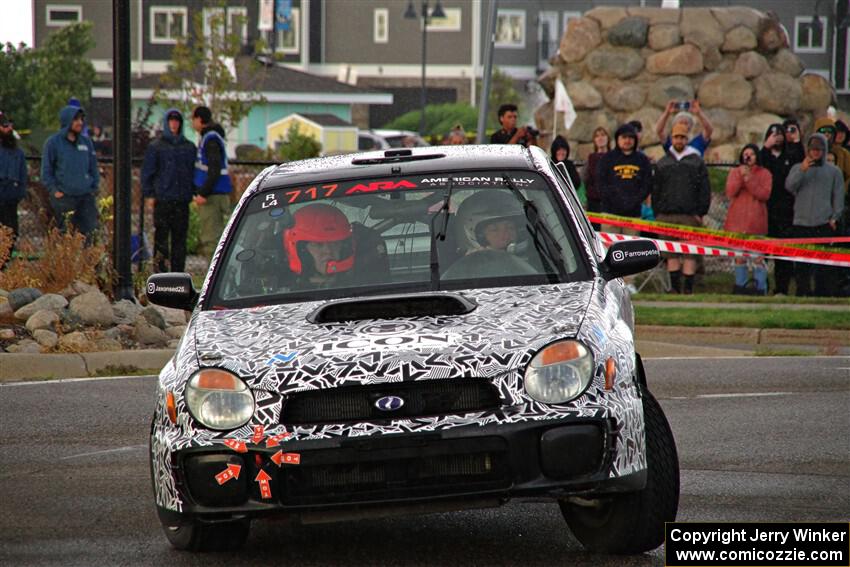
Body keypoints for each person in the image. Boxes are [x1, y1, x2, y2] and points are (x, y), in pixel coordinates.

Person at [652, 122, 711, 294]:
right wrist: (657, 213)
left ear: (687, 140)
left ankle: (688, 289)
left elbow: (704, 189)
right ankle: (675, 288)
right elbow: (655, 190)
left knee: (689, 253)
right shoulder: (663, 162)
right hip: (666, 215)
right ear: (671, 138)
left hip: (689, 215)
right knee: (671, 253)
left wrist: (700, 212)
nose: (679, 140)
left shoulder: (696, 162)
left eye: (683, 137)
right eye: (676, 137)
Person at [785, 133, 845, 296]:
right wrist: (802, 171)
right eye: (813, 149)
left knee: (823, 264)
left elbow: (838, 196)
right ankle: (802, 292)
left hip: (823, 223)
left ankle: (822, 293)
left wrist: (834, 217)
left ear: (824, 150)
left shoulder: (834, 171)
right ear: (808, 150)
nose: (816, 153)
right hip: (801, 223)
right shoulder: (798, 168)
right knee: (801, 264)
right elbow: (790, 187)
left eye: (819, 149)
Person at [142, 109, 197, 273]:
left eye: (177, 121)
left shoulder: (188, 147)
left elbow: (193, 172)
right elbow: (148, 172)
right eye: (171, 121)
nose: (174, 124)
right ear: (166, 123)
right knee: (161, 239)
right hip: (163, 200)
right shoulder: (156, 147)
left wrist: (193, 192)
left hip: (182, 200)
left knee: (180, 240)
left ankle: (178, 273)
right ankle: (160, 272)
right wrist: (150, 194)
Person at [41, 104, 99, 244]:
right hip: (64, 198)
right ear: (67, 121)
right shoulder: (53, 143)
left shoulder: (86, 142)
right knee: (65, 238)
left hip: (86, 198)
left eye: (81, 119)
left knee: (91, 235)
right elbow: (46, 171)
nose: (80, 122)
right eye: (76, 119)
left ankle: (89, 265)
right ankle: (67, 266)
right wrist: (54, 191)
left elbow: (93, 167)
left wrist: (93, 186)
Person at [724, 144, 772, 295]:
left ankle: (760, 289)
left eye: (751, 154)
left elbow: (764, 194)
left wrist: (749, 178)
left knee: (758, 259)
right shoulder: (734, 172)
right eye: (746, 154)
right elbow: (730, 191)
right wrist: (741, 176)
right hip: (737, 224)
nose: (748, 156)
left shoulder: (765, 174)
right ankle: (740, 288)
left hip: (756, 224)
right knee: (739, 259)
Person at [760, 123, 798, 295]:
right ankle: (762, 286)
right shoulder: (764, 156)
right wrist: (765, 147)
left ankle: (781, 288)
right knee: (762, 253)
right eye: (772, 134)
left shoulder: (790, 155)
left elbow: (800, 165)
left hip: (785, 211)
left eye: (779, 133)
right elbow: (757, 165)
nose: (777, 137)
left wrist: (796, 141)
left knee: (783, 254)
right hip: (765, 210)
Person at [191, 105, 233, 259]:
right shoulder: (212, 137)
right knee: (220, 238)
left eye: (193, 119)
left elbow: (213, 169)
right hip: (217, 194)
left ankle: (214, 279)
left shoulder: (210, 140)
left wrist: (203, 192)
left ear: (199, 119)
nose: (192, 123)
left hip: (212, 197)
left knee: (211, 241)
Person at [282, 203, 356, 290]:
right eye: (318, 244)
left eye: (334, 243)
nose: (328, 251)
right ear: (301, 250)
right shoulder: (280, 294)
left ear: (344, 247)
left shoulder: (365, 283)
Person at [597, 124, 652, 231]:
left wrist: (633, 201)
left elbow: (647, 184)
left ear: (635, 140)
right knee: (609, 246)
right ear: (617, 139)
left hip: (633, 214)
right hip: (610, 214)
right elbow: (601, 184)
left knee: (632, 247)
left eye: (630, 137)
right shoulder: (607, 159)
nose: (627, 140)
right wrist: (616, 201)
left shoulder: (643, 160)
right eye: (624, 137)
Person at [0, 111, 27, 259]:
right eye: (5, 126)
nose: (9, 129)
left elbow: (23, 178)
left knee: (11, 234)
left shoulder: (18, 154)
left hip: (11, 201)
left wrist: (19, 194)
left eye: (10, 125)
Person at [583, 126, 611, 229]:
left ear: (608, 138)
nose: (600, 138)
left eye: (603, 135)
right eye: (597, 136)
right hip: (594, 202)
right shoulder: (591, 158)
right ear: (594, 140)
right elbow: (585, 179)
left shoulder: (614, 157)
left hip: (609, 203)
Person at [812, 117, 850, 190]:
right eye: (823, 131)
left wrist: (842, 189)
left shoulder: (842, 153)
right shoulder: (811, 152)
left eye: (829, 131)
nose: (826, 134)